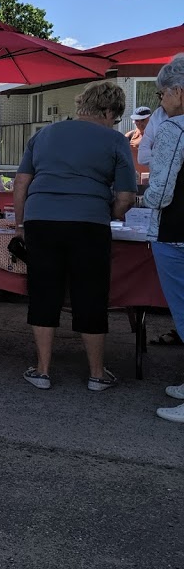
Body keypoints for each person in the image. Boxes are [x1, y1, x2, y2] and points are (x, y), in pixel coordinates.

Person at [13, 80, 136, 392]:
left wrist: (20, 224)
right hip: (89, 223)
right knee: (90, 295)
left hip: (41, 220)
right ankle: (97, 373)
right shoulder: (115, 140)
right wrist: (106, 212)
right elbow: (126, 197)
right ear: (109, 111)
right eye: (115, 117)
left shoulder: (43, 134)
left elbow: (21, 183)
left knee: (44, 292)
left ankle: (41, 370)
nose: (114, 123)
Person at [143, 57, 184, 422]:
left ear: (179, 92)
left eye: (161, 94)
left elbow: (161, 189)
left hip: (176, 231)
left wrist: (145, 202)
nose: (160, 101)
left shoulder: (175, 128)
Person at [126, 106, 151, 187]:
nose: (140, 123)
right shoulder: (130, 136)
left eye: (143, 120)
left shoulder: (158, 136)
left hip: (153, 180)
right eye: (137, 120)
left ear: (150, 119)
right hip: (134, 181)